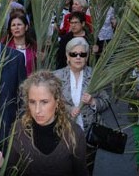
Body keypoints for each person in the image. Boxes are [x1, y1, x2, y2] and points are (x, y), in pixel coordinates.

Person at [0, 70, 88, 175]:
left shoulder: (74, 133)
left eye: (44, 102)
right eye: (32, 102)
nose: (37, 110)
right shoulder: (18, 130)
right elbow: (10, 170)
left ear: (57, 102)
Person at [53, 37, 109, 175]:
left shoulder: (95, 75)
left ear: (87, 56)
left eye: (82, 54)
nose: (78, 57)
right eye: (74, 54)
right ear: (67, 56)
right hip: (64, 135)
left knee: (86, 170)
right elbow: (51, 103)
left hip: (89, 136)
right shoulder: (56, 77)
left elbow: (106, 101)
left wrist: (93, 102)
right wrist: (68, 109)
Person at [3, 9, 37, 76]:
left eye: (19, 24)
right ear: (10, 29)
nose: (16, 27)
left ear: (26, 27)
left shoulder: (33, 46)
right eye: (13, 25)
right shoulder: (4, 46)